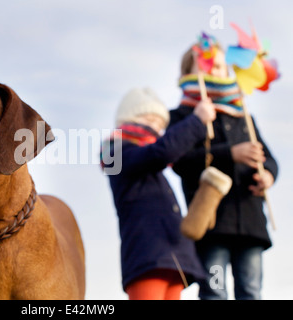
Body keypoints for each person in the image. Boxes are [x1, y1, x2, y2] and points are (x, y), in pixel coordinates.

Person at [169, 42, 278, 300]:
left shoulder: (244, 116)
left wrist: (268, 176)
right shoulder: (184, 116)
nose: (215, 71)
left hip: (250, 222)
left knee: (251, 291)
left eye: (219, 66)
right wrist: (230, 153)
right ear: (189, 71)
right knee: (214, 291)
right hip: (211, 224)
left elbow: (270, 160)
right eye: (207, 65)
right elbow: (180, 162)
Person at [100, 87, 215, 300]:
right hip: (147, 256)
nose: (156, 128)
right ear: (129, 118)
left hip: (172, 256)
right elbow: (162, 152)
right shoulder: (117, 153)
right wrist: (197, 121)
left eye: (161, 124)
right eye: (150, 119)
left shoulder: (149, 163)